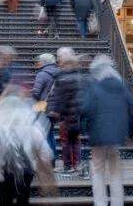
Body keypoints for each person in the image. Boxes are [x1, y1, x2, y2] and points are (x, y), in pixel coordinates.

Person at [82, 55, 133, 206]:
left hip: (98, 135)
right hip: (116, 135)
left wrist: (84, 128)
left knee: (98, 169)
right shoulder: (121, 86)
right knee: (115, 170)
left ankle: (100, 203)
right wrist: (131, 133)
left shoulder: (93, 86)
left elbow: (85, 109)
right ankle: (117, 202)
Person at [0, 95, 55, 205]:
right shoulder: (31, 128)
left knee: (5, 199)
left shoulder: (0, 130)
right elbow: (45, 151)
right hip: (26, 170)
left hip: (6, 171)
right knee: (23, 198)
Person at [51, 47, 82, 175]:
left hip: (67, 114)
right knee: (75, 140)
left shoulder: (62, 77)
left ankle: (68, 166)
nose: (58, 60)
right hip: (77, 114)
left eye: (59, 58)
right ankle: (77, 164)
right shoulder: (79, 76)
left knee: (66, 141)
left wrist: (57, 112)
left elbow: (60, 98)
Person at [32, 53, 59, 158]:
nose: (38, 63)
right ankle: (53, 158)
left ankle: (46, 159)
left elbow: (36, 93)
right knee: (50, 133)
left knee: (43, 133)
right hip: (54, 106)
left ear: (44, 62)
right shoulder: (58, 72)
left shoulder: (42, 74)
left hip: (42, 106)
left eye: (39, 61)